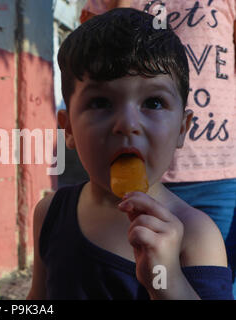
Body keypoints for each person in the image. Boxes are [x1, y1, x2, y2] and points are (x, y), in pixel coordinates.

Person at [26, 8, 234, 299]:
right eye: (100, 102)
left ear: (182, 129)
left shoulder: (197, 235)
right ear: (68, 129)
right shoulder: (49, 213)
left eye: (154, 102)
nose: (127, 124)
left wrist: (166, 281)